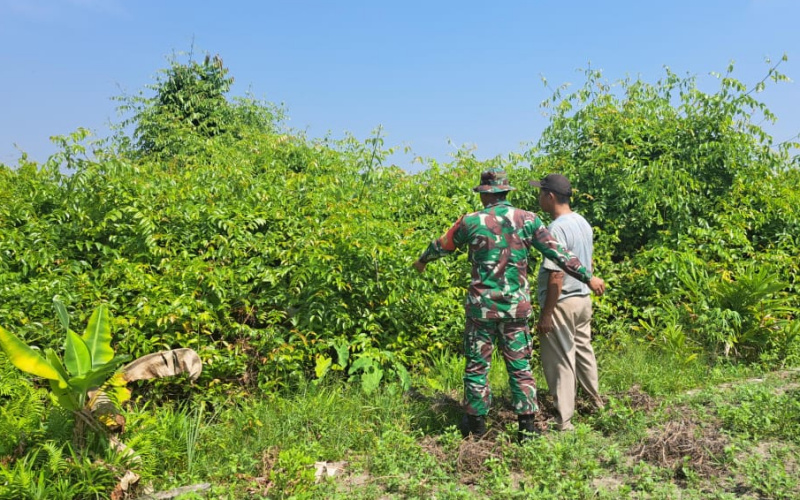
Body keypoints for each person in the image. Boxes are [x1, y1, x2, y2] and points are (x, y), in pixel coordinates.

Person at [412, 168, 605, 441]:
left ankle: (476, 428)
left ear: (485, 194)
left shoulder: (470, 221)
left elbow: (442, 245)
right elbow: (560, 254)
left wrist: (422, 260)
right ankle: (526, 429)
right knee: (520, 367)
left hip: (481, 310)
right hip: (516, 309)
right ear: (505, 192)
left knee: (477, 367)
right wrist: (588, 277)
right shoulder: (528, 220)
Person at [530, 173, 604, 432]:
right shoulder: (582, 222)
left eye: (541, 193)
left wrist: (547, 313)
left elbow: (556, 275)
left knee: (560, 361)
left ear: (550, 196)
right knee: (584, 353)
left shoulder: (555, 229)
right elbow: (588, 262)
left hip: (562, 302)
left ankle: (564, 421)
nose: (539, 198)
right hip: (583, 300)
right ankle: (597, 405)